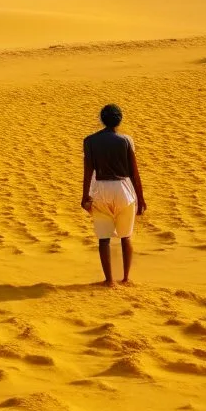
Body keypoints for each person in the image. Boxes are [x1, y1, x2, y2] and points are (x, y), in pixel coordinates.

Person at [81, 104, 146, 286]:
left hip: (100, 189)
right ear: (120, 120)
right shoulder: (126, 140)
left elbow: (88, 171)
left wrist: (85, 195)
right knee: (126, 237)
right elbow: (134, 173)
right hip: (123, 189)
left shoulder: (89, 141)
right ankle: (125, 278)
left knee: (103, 238)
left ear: (102, 119)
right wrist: (140, 198)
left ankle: (109, 280)